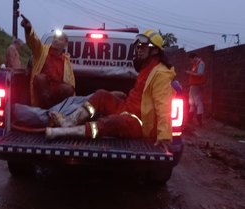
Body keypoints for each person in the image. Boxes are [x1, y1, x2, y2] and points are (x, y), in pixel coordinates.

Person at [45, 29, 176, 148]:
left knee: (110, 122)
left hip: (139, 123)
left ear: (155, 50)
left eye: (144, 46)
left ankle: (61, 132)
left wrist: (164, 135)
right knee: (101, 95)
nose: (139, 49)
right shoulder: (146, 67)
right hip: (127, 109)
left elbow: (163, 106)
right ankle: (68, 122)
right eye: (138, 46)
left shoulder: (161, 74)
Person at [20, 14, 75, 109]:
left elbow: (71, 84)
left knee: (68, 89)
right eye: (54, 38)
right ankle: (47, 109)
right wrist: (28, 29)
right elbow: (34, 42)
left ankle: (58, 109)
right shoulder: (41, 51)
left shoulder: (66, 61)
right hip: (42, 93)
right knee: (41, 78)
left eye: (60, 39)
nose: (56, 40)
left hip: (57, 95)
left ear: (66, 44)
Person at [186, 53, 206, 126]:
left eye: (191, 60)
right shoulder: (196, 64)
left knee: (197, 102)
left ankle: (199, 120)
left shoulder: (201, 64)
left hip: (197, 85)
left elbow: (200, 74)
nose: (190, 61)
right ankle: (191, 119)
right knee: (192, 102)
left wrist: (190, 73)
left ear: (194, 58)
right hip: (193, 85)